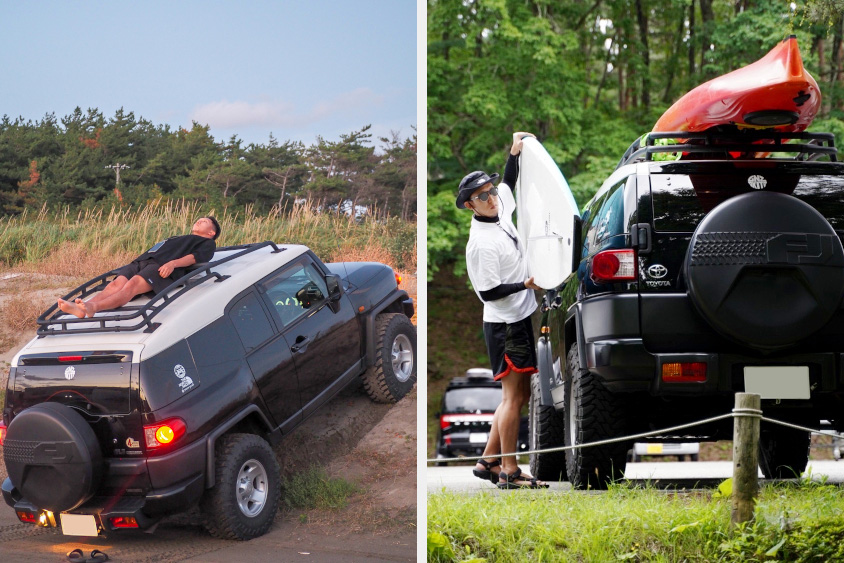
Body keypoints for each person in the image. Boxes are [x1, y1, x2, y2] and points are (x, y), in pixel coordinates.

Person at [457, 132, 548, 489]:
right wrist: (526, 284)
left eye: (491, 192)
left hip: (520, 317)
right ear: (470, 205)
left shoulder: (499, 210)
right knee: (513, 398)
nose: (492, 198)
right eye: (483, 196)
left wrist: (514, 151)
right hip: (504, 324)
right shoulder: (481, 244)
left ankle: (487, 461)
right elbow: (489, 291)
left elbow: (509, 183)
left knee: (520, 395)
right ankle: (508, 470)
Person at [57, 216, 221, 318]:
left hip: (161, 267)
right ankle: (81, 308)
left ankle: (93, 307)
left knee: (132, 285)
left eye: (205, 221)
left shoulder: (207, 243)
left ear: (211, 232)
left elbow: (194, 258)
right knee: (114, 285)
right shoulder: (180, 237)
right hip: (143, 261)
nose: (199, 220)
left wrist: (173, 264)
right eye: (199, 219)